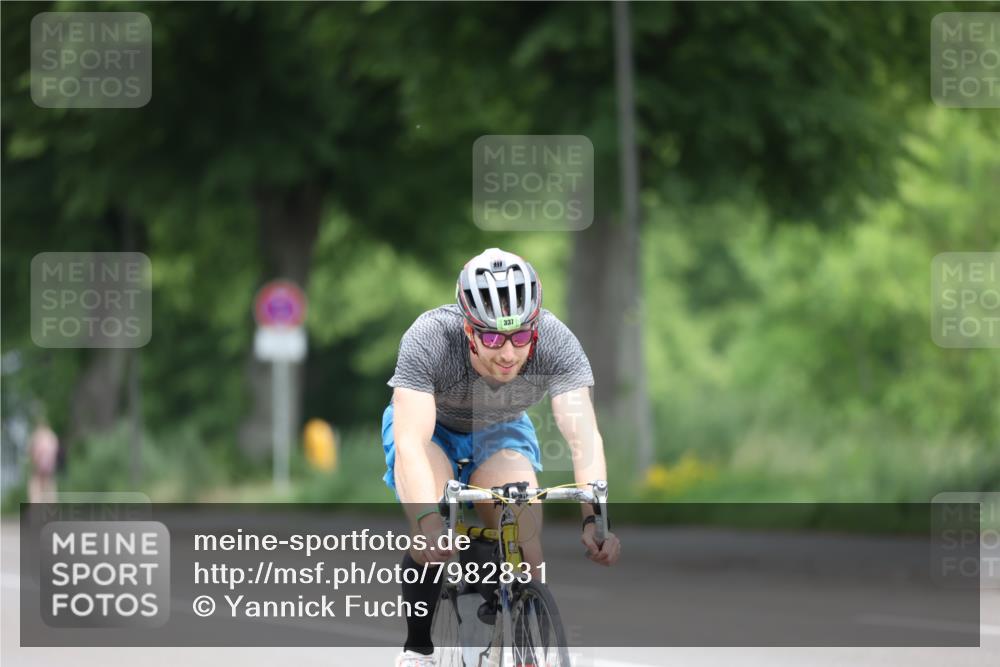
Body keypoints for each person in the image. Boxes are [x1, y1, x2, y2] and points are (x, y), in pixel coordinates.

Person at [382, 247, 621, 667]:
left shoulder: (557, 342)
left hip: (499, 429)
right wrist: (429, 521)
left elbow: (583, 436)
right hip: (431, 430)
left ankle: (515, 636)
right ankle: (418, 648)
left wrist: (594, 519)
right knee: (431, 532)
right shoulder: (429, 337)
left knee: (525, 542)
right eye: (492, 338)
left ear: (535, 329)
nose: (508, 354)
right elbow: (411, 443)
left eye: (520, 337)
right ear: (468, 329)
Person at [28, 413, 59, 503]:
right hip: (50, 467)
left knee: (36, 486)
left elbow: (31, 450)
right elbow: (56, 451)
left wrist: (34, 460)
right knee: (49, 486)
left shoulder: (38, 435)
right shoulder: (52, 436)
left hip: (40, 466)